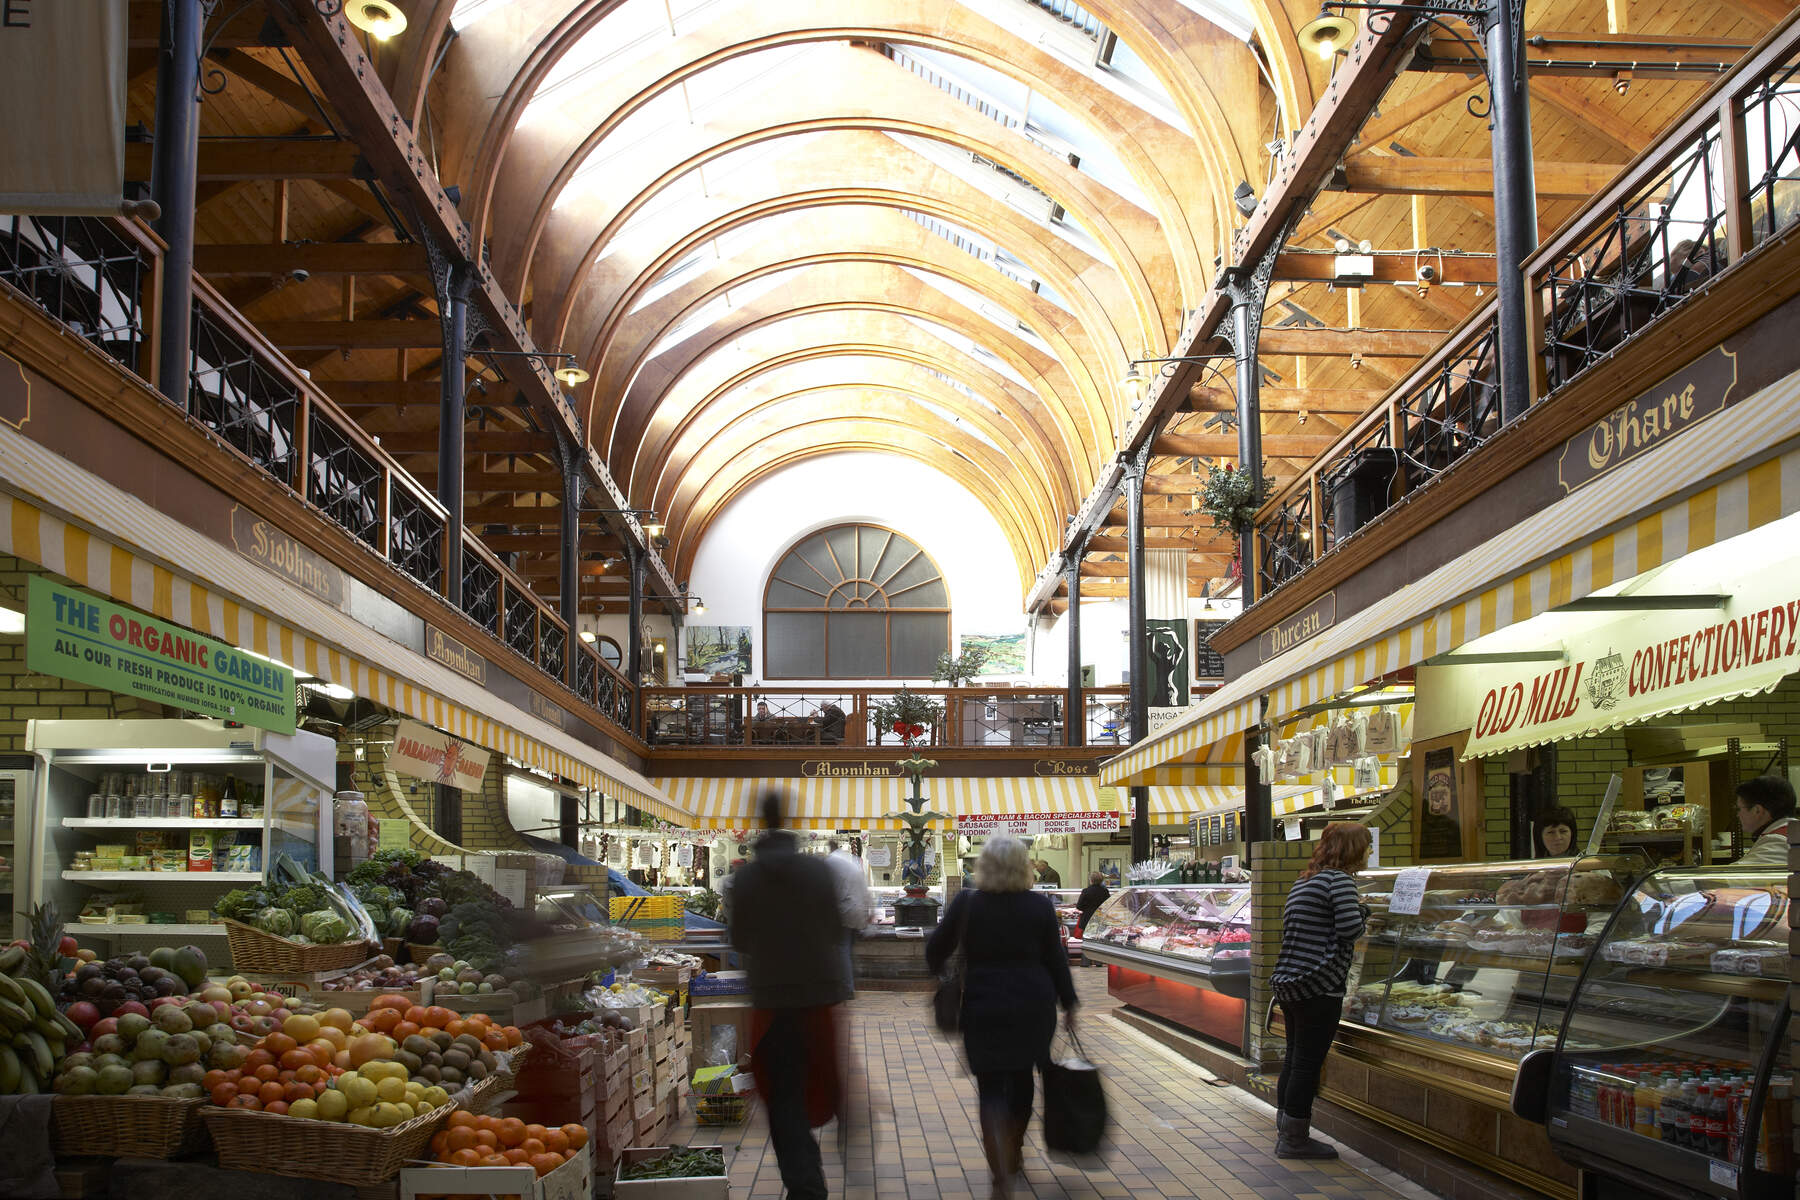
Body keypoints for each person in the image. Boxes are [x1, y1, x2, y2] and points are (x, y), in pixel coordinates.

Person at [926, 833, 1077, 1200]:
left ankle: (999, 1170)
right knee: (1024, 1081)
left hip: (983, 1004)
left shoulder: (967, 903)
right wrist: (1069, 1004)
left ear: (985, 866)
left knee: (991, 1086)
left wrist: (946, 975)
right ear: (1023, 867)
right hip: (1033, 1006)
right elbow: (1057, 960)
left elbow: (934, 950)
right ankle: (1014, 1150)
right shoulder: (1039, 906)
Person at [728, 792, 849, 1200]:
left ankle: (804, 1180)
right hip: (817, 996)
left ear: (759, 822)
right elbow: (836, 930)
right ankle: (822, 1149)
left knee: (781, 1094)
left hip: (771, 1002)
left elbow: (739, 940)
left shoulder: (745, 878)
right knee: (819, 1073)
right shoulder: (817, 872)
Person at [1268, 821, 1372, 1160]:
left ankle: (1285, 1126)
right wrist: (1365, 911)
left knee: (1294, 1059)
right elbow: (1349, 930)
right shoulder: (1340, 881)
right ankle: (1295, 1140)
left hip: (1292, 982)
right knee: (1307, 1064)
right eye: (1367, 846)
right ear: (1353, 849)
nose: (1370, 852)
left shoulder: (1306, 880)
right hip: (1320, 985)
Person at [825, 838, 873, 995]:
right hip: (859, 911)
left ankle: (847, 987)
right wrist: (869, 911)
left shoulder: (831, 862)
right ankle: (851, 979)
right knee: (848, 948)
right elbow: (865, 888)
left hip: (846, 911)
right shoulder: (850, 860)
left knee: (842, 949)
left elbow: (833, 891)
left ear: (829, 848)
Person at [1734, 775, 1797, 866]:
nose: (1738, 815)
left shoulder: (1779, 841)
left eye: (1739, 809)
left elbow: (1737, 877)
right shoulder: (1791, 832)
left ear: (1757, 810)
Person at [1074, 871, 1110, 935]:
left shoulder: (1086, 891)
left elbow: (1079, 906)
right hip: (1100, 919)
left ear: (1091, 880)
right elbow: (1108, 905)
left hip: (1087, 920)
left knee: (1086, 938)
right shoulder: (1105, 891)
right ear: (1101, 880)